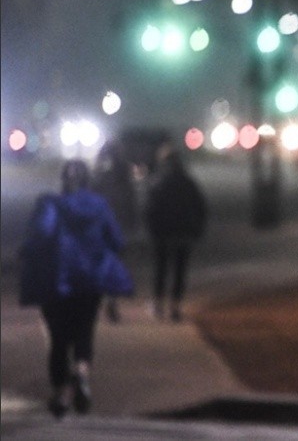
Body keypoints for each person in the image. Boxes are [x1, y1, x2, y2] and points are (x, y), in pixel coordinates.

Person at [18, 159, 134, 419]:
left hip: (58, 279)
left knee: (58, 339)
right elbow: (115, 239)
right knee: (84, 330)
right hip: (91, 280)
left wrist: (26, 253)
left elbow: (41, 234)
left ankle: (61, 393)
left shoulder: (50, 204)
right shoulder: (100, 206)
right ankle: (81, 372)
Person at [144, 145, 207, 323]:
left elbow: (150, 210)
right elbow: (200, 208)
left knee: (161, 269)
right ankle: (175, 306)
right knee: (180, 270)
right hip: (183, 233)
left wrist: (152, 230)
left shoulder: (158, 183)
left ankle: (158, 304)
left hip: (162, 234)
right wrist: (196, 230)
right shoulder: (188, 183)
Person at [92, 141, 139, 324]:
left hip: (101, 229)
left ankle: (99, 301)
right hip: (117, 228)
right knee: (114, 265)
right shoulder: (124, 177)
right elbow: (130, 203)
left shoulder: (99, 177)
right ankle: (111, 301)